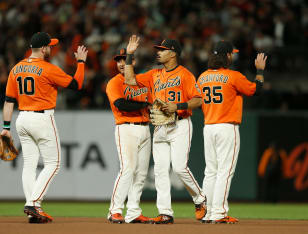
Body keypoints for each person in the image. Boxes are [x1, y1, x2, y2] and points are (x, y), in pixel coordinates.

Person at [0, 32, 88, 223]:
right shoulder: (48, 68)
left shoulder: (16, 68)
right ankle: (33, 203)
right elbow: (77, 84)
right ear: (44, 48)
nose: (51, 49)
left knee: (29, 164)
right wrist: (81, 62)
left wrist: (6, 128)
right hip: (41, 119)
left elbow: (8, 101)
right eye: (50, 46)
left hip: (21, 119)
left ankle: (34, 208)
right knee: (53, 164)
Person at [124, 35, 207, 224]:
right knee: (161, 171)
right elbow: (129, 80)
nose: (158, 53)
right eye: (158, 50)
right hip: (160, 127)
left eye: (162, 50)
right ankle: (165, 213)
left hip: (180, 124)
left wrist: (177, 106)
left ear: (173, 53)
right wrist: (129, 54)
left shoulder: (185, 74)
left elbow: (198, 99)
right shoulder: (154, 74)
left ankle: (200, 199)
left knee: (179, 168)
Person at [196, 41, 267, 223]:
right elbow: (256, 90)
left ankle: (208, 212)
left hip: (208, 127)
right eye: (231, 54)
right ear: (227, 56)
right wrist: (259, 71)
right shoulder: (233, 76)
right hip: (226, 127)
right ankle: (219, 213)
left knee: (210, 171)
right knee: (224, 172)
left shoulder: (202, 77)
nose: (232, 56)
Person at [106, 48, 152, 224]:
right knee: (127, 169)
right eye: (118, 60)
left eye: (125, 60)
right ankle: (114, 210)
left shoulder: (142, 81)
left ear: (133, 62)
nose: (121, 64)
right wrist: (145, 105)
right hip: (126, 127)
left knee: (140, 174)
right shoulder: (114, 82)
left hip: (145, 128)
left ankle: (133, 211)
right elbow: (121, 104)